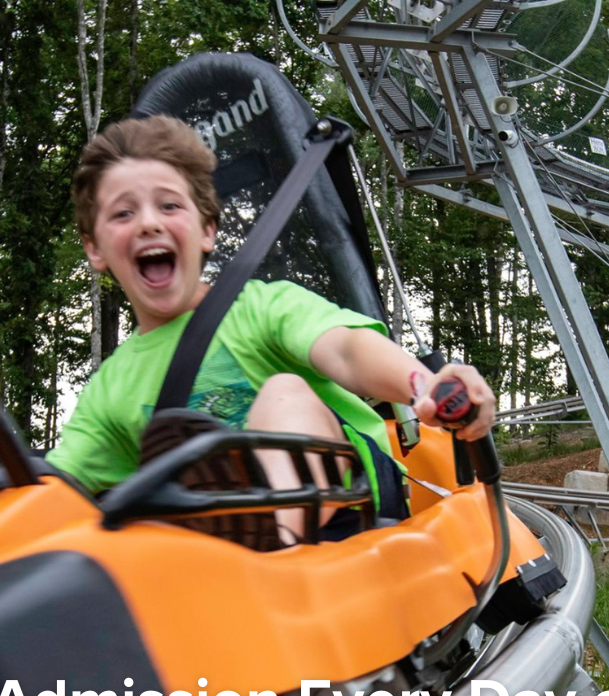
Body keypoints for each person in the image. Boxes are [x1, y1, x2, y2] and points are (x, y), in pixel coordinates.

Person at [46, 114, 494, 540]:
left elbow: (346, 350)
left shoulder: (260, 307)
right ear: (95, 248)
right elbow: (57, 486)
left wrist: (423, 384)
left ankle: (268, 543)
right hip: (204, 548)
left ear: (206, 230)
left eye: (168, 205)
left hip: (349, 514)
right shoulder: (109, 389)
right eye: (123, 214)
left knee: (285, 391)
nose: (148, 223)